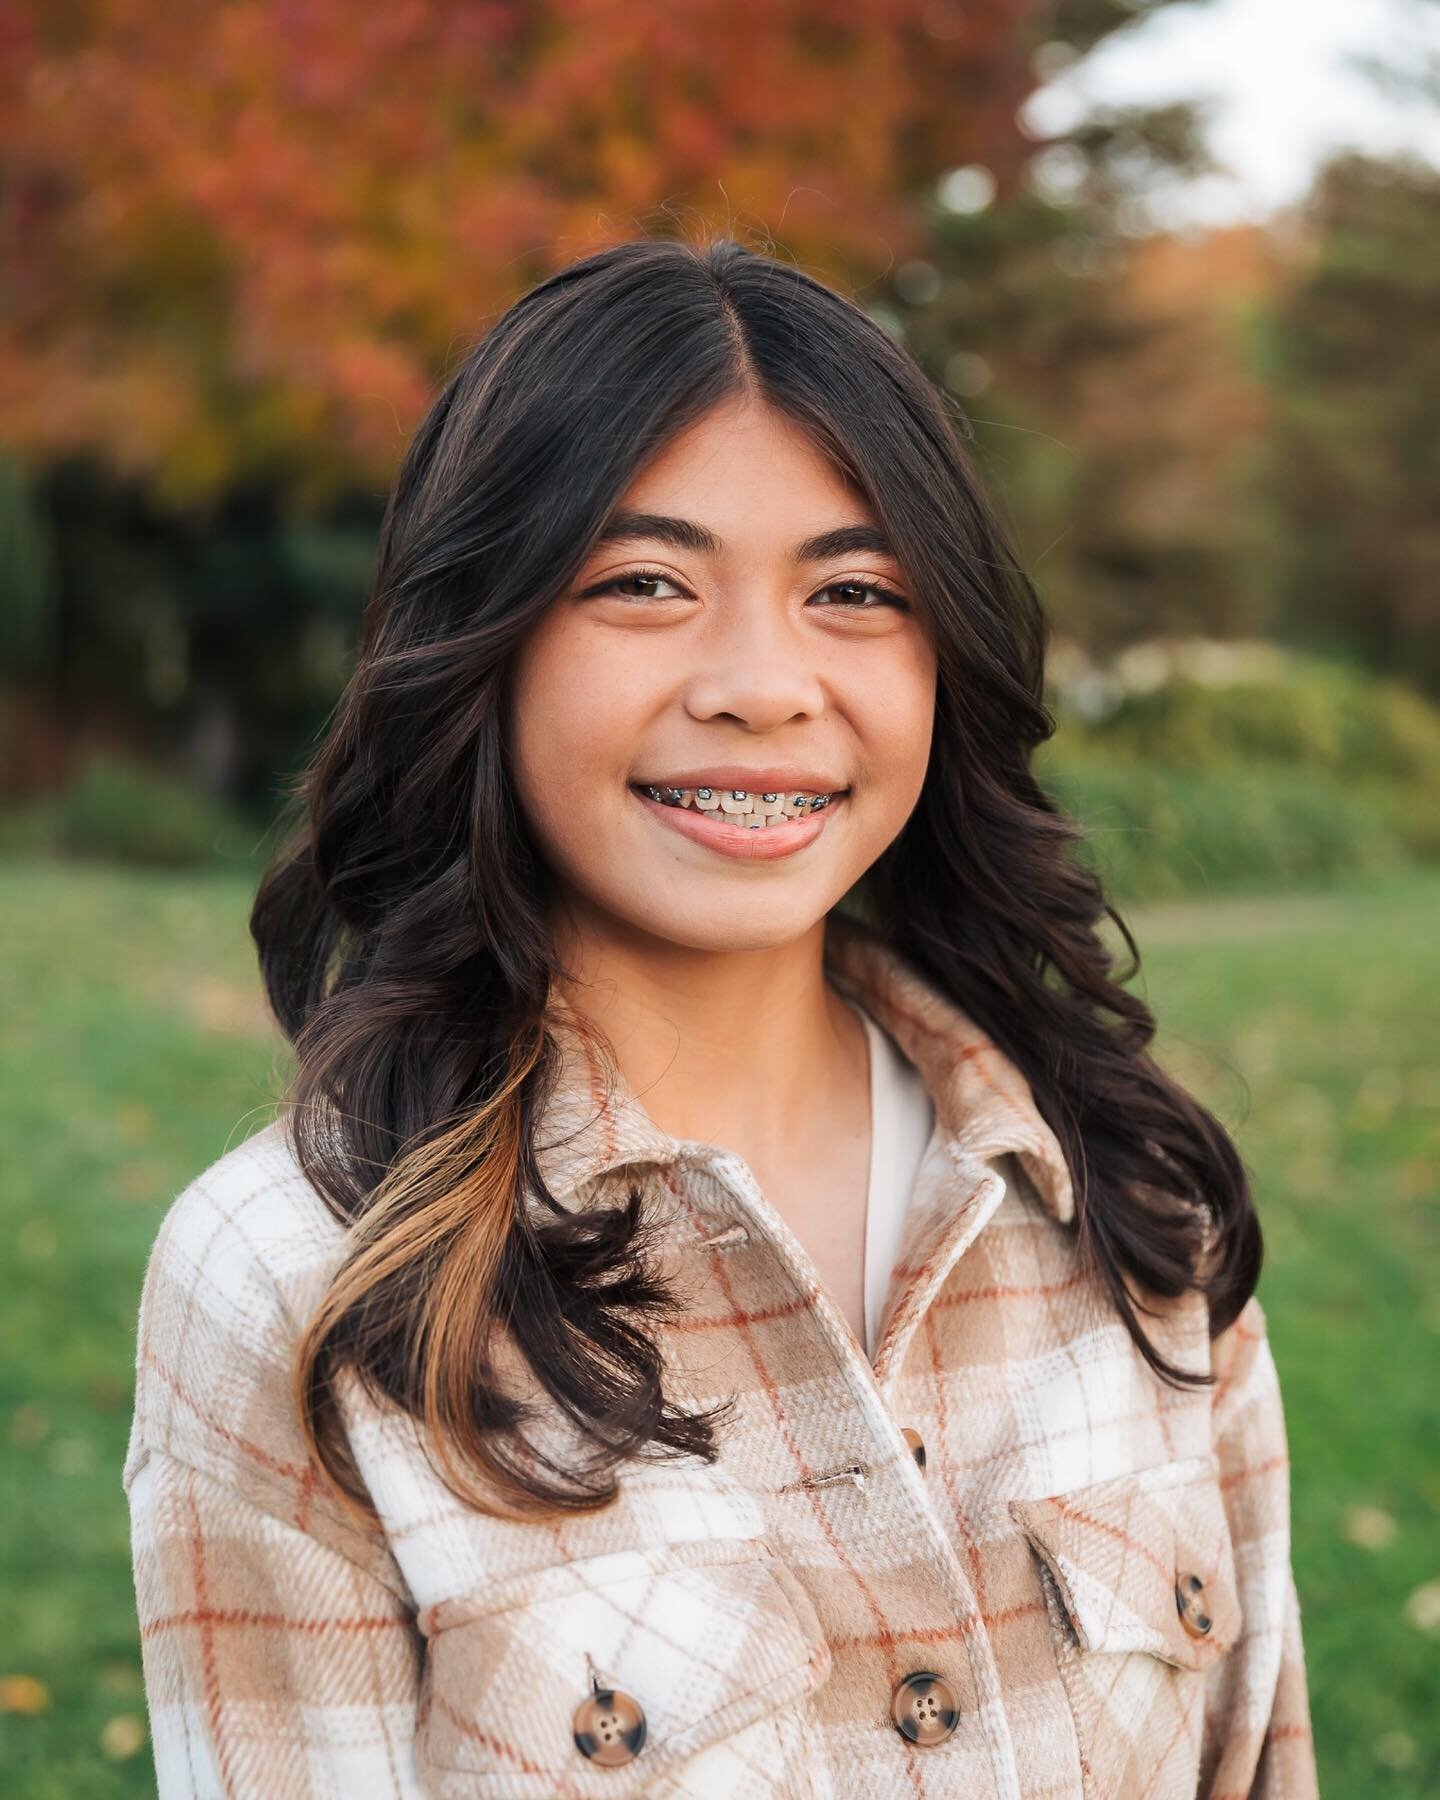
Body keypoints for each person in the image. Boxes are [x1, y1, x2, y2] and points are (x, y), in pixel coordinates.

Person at [124, 233, 1318, 1797]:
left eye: (853, 589)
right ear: (479, 646)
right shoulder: (296, 1285)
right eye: (642, 583)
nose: (764, 683)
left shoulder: (1136, 1198)